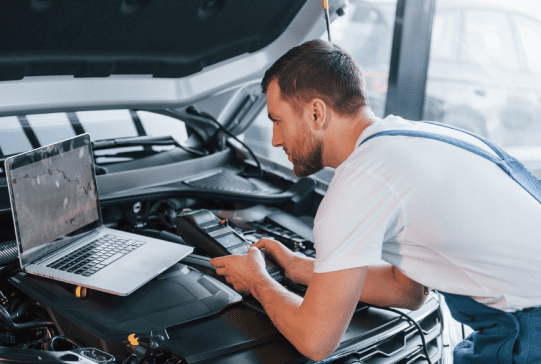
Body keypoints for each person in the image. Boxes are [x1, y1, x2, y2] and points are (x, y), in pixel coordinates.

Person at [209, 39, 541, 363]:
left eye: (278, 120)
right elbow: (407, 290)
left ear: (315, 113)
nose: (275, 139)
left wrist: (258, 282)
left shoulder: (360, 181)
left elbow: (315, 341)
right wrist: (300, 268)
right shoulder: (417, 140)